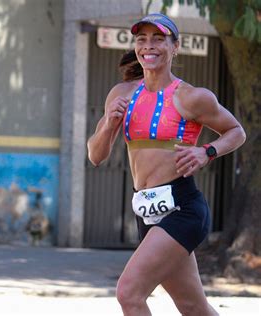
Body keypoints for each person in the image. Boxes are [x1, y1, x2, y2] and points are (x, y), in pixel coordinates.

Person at [87, 13, 246, 316]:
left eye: (159, 39)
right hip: (147, 212)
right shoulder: (122, 94)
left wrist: (206, 152)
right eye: (142, 39)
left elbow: (237, 131)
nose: (149, 46)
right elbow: (95, 156)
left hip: (183, 209)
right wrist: (109, 124)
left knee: (129, 292)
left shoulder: (191, 97)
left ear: (176, 46)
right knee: (192, 306)